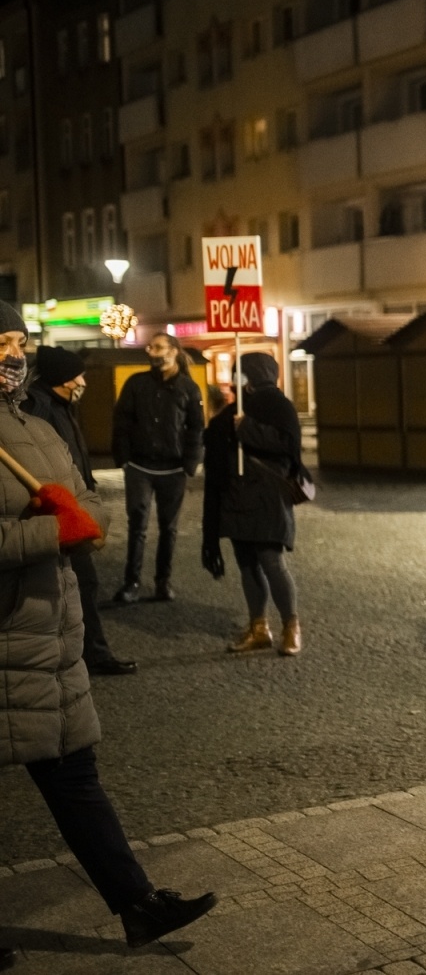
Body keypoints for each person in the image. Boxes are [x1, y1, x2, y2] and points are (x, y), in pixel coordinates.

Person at [0, 302, 214, 960]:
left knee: (75, 778)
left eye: (17, 343)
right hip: (6, 639)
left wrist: (76, 515)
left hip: (52, 641)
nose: (12, 356)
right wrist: (48, 531)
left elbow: (87, 496)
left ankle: (137, 905)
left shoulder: (36, 426)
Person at [23, 347, 138, 676]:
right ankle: (88, 654)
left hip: (74, 507)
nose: (82, 381)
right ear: (61, 378)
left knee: (80, 584)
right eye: (78, 375)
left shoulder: (59, 405)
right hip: (60, 512)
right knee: (79, 584)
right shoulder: (40, 409)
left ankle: (85, 652)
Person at [204, 353, 305, 657]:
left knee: (271, 561)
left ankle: (291, 626)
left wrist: (247, 428)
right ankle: (258, 627)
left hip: (267, 496)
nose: (236, 378)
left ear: (257, 374)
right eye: (236, 372)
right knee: (247, 564)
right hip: (236, 495)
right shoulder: (232, 410)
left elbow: (288, 446)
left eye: (241, 372)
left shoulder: (278, 405)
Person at [110, 334, 203, 604]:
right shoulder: (136, 383)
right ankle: (132, 583)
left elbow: (196, 427)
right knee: (137, 526)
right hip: (139, 466)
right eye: (150, 347)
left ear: (173, 351)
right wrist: (123, 459)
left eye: (158, 347)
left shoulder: (188, 387)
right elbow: (122, 423)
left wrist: (190, 464)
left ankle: (163, 582)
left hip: (173, 470)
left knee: (168, 528)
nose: (151, 351)